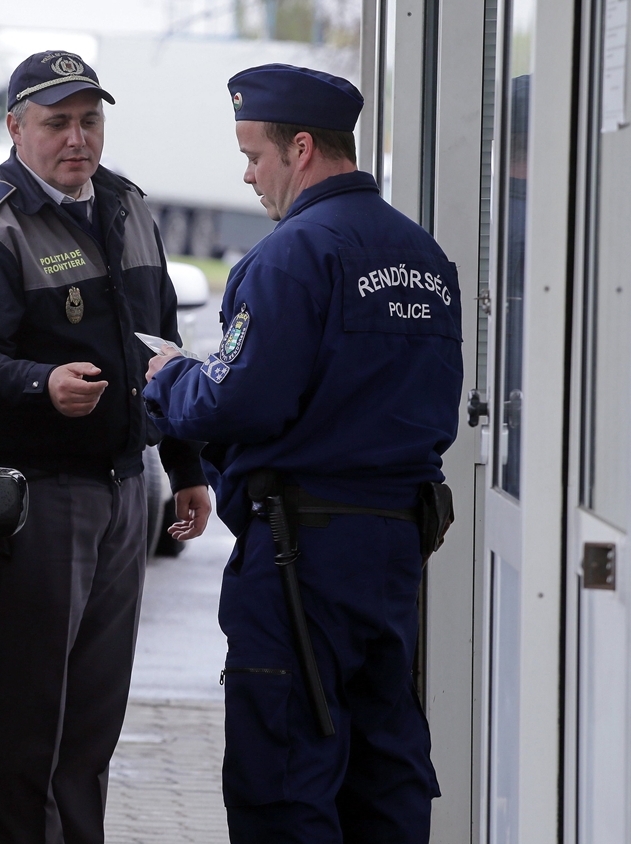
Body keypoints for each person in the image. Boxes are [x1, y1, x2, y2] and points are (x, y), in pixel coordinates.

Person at [142, 64, 462, 843]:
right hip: (392, 552)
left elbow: (238, 400)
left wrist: (169, 378)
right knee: (383, 770)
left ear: (304, 148)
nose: (247, 175)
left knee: (284, 775)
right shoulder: (426, 259)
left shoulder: (289, 257)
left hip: (299, 559)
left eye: (255, 154)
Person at [0, 50, 210, 844]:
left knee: (94, 718)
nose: (77, 139)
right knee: (33, 719)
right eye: (57, 123)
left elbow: (165, 346)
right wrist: (41, 383)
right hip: (41, 494)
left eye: (90, 120)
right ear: (16, 128)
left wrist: (185, 465)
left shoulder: (126, 206)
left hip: (128, 486)